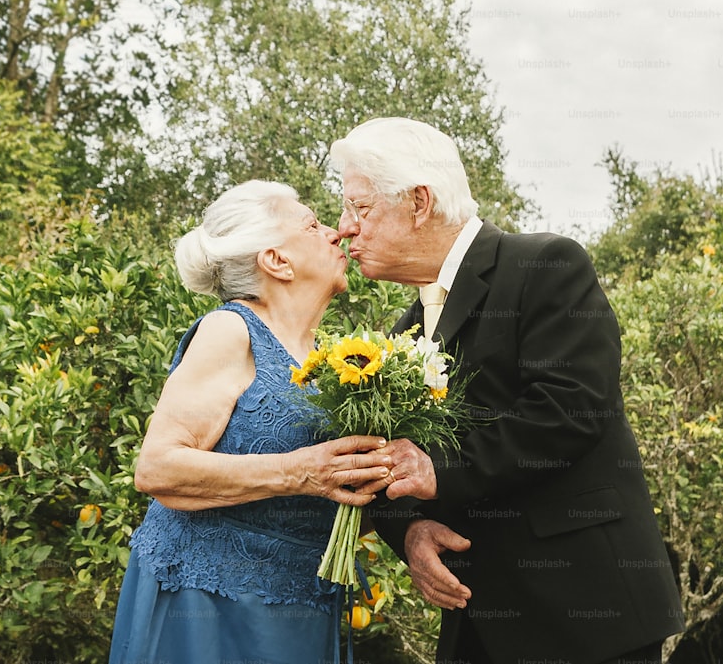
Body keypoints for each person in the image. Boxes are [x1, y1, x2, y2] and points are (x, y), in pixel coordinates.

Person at [329, 118, 685, 664]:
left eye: (360, 207)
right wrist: (411, 532)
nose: (344, 227)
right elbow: (386, 469)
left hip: (586, 613)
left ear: (419, 202)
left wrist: (437, 470)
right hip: (477, 622)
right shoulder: (397, 338)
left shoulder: (545, 264)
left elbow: (569, 409)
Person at [108, 179, 394, 664]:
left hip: (302, 609)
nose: (335, 233)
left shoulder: (329, 361)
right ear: (276, 260)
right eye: (312, 224)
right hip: (206, 605)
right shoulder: (230, 330)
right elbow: (157, 469)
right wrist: (300, 472)